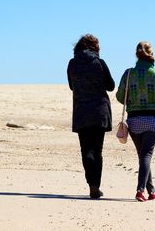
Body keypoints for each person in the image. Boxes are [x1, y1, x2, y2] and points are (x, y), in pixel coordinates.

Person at [116, 41, 155, 202]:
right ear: (151, 54)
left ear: (136, 54)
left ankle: (151, 191)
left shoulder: (128, 74)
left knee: (143, 156)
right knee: (146, 155)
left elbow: (120, 97)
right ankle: (140, 190)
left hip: (134, 122)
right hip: (153, 121)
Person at [67, 34, 115, 198]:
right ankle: (96, 185)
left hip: (81, 112)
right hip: (99, 111)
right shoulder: (99, 63)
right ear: (95, 47)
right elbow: (111, 86)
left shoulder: (72, 64)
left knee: (86, 150)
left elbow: (72, 86)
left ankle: (91, 185)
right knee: (97, 150)